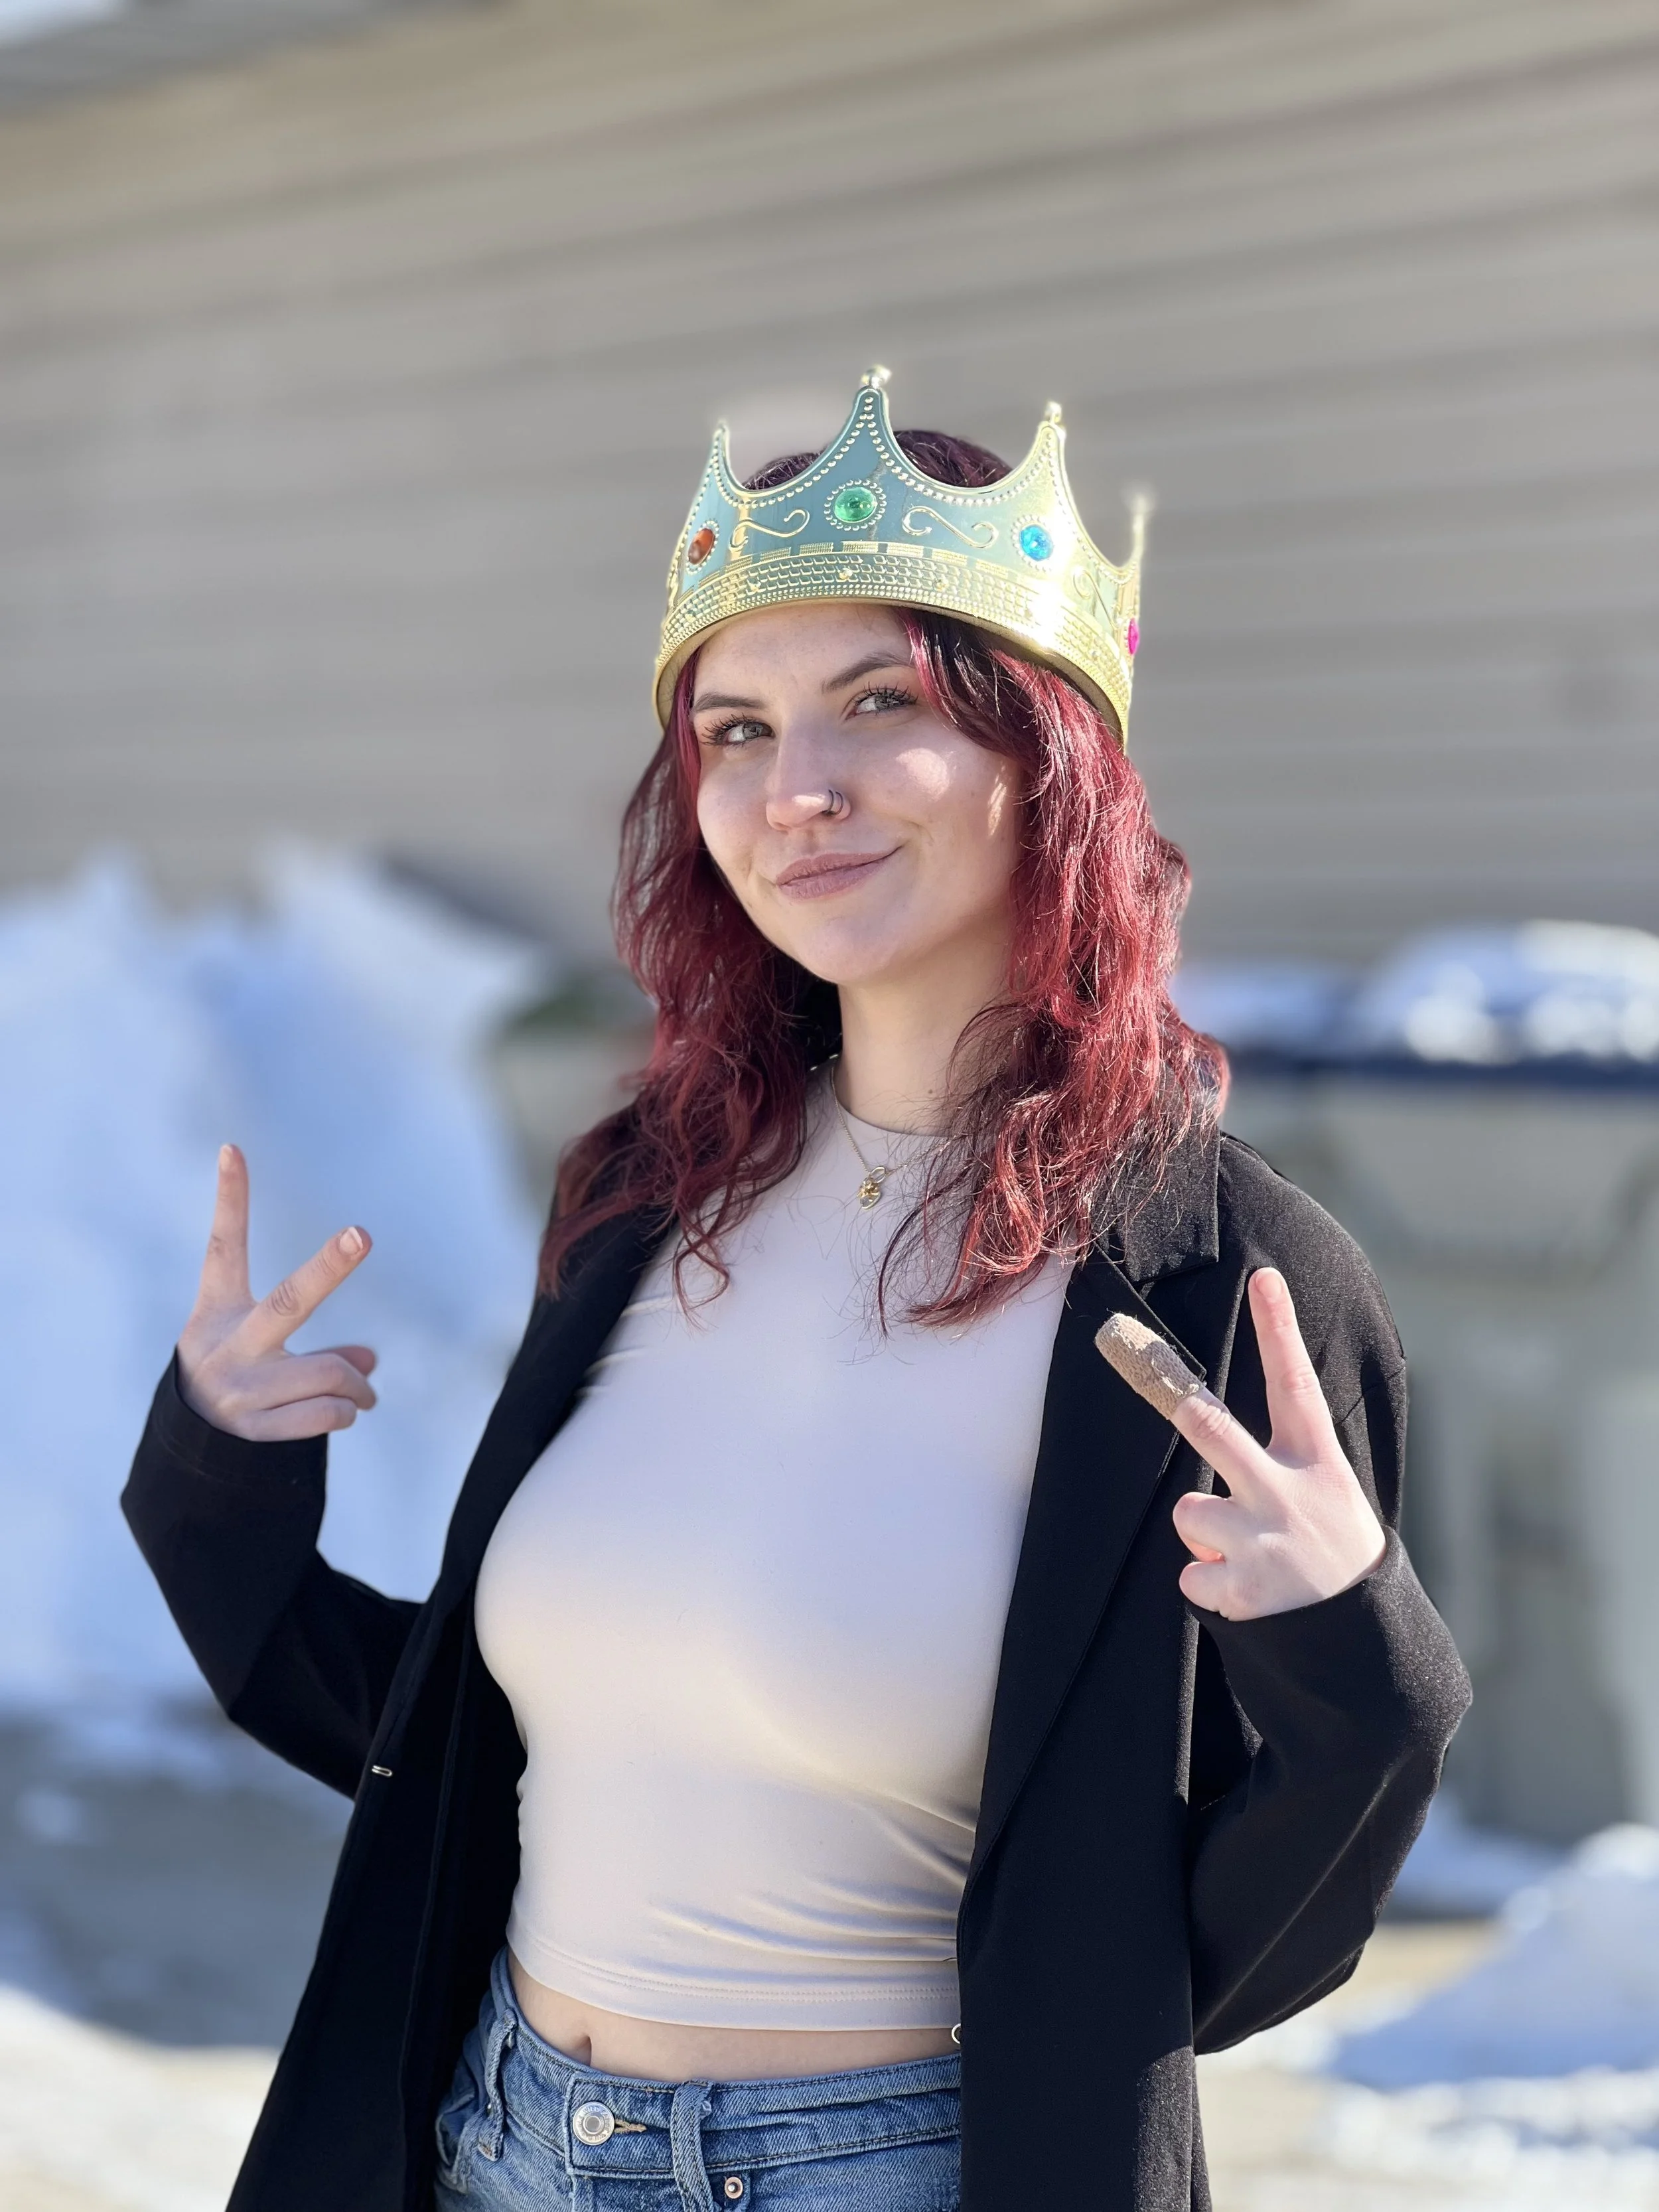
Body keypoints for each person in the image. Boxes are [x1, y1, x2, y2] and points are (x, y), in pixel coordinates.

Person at [123, 369, 1470, 2212]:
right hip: (493, 2142)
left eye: (879, 703)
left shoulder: (1217, 1279)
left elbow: (1213, 1952)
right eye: (737, 730)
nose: (795, 789)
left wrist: (1349, 1659)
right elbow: (453, 1752)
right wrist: (218, 1476)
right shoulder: (649, 1193)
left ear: (1044, 753)